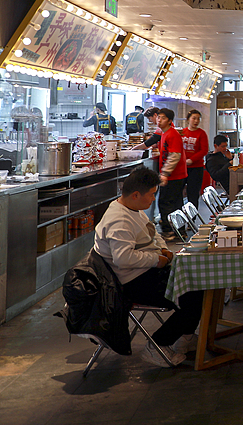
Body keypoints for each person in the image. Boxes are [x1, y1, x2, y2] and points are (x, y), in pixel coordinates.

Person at [93, 166, 204, 367]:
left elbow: (153, 235)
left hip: (148, 272)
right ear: (136, 194)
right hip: (131, 283)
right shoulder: (119, 220)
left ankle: (186, 336)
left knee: (198, 281)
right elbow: (123, 258)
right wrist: (156, 260)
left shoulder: (133, 208)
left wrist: (163, 250)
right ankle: (158, 345)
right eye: (152, 195)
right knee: (194, 293)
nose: (154, 199)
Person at [155, 108, 188, 234]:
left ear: (169, 121)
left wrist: (165, 173)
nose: (159, 120)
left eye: (163, 118)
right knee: (175, 204)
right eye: (158, 117)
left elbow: (175, 155)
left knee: (166, 203)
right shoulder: (164, 133)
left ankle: (170, 231)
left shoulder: (172, 134)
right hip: (174, 175)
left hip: (174, 176)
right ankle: (179, 231)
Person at [180, 110, 208, 208]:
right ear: (188, 119)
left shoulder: (201, 133)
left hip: (196, 167)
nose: (196, 121)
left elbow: (204, 150)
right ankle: (180, 218)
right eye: (194, 118)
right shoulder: (182, 132)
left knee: (193, 193)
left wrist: (192, 160)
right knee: (179, 193)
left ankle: (192, 217)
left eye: (198, 119)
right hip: (182, 167)